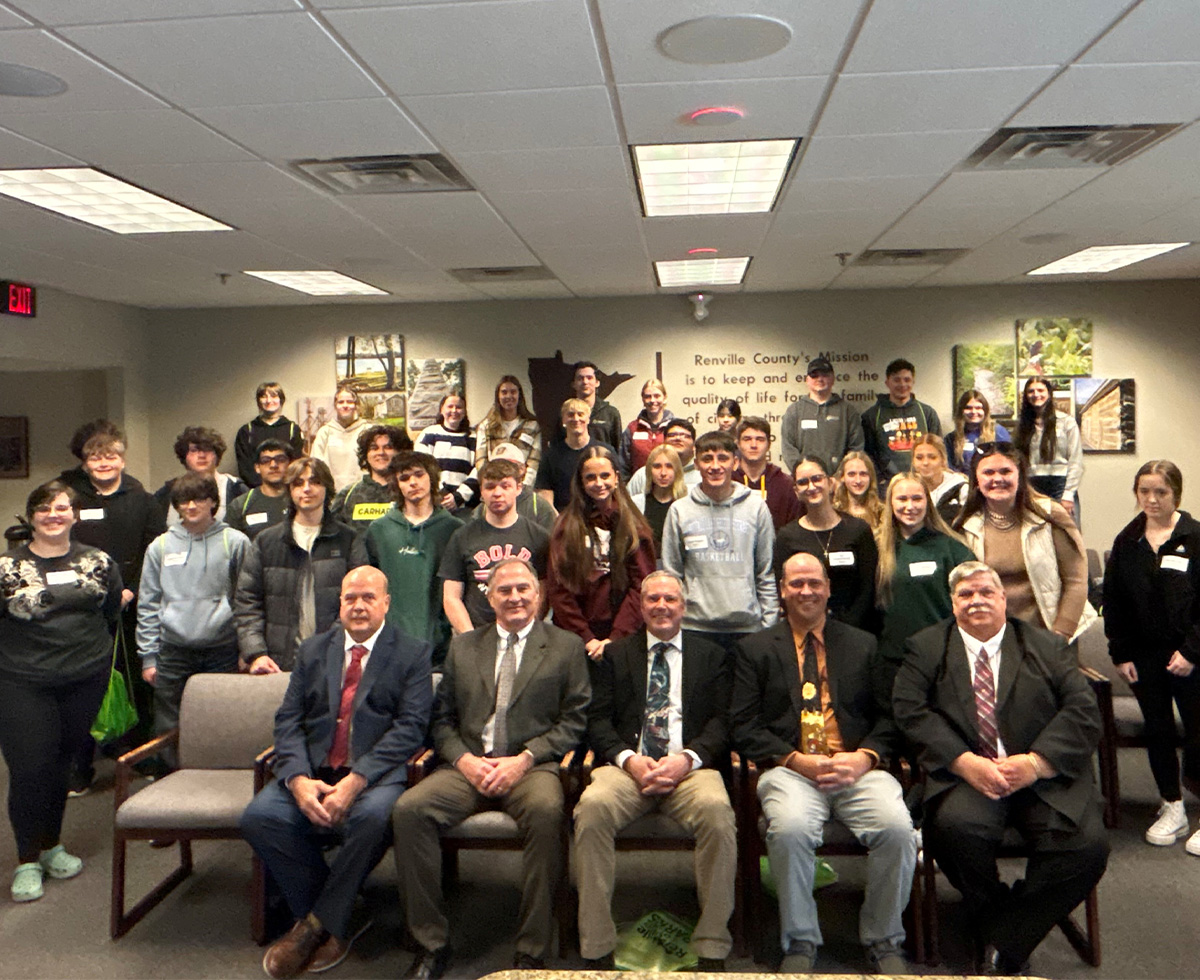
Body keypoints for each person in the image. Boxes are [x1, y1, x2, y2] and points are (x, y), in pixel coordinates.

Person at [893, 561, 1109, 977]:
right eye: (965, 595)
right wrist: (963, 761)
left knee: (1086, 848)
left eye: (985, 592)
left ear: (1003, 599)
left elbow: (1083, 712)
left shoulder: (1047, 646)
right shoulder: (925, 648)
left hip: (1040, 775)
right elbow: (910, 711)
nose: (976, 601)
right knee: (954, 831)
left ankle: (1004, 935)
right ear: (952, 603)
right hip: (969, 775)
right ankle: (1006, 919)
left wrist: (1036, 763)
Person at [392, 558, 590, 978]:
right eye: (505, 590)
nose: (515, 597)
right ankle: (431, 943)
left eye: (523, 589)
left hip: (530, 767)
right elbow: (440, 719)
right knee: (410, 811)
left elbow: (575, 720)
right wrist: (464, 760)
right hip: (468, 766)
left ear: (538, 596)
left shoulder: (565, 646)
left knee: (546, 812)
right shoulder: (464, 646)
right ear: (490, 597)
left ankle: (531, 950)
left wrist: (525, 759)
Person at [241, 567, 433, 980]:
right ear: (340, 603)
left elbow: (411, 728)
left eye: (368, 597)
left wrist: (357, 779)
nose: (359, 606)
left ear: (386, 603)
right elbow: (288, 721)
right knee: (260, 817)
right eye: (350, 598)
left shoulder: (412, 652)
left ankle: (313, 926)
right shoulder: (313, 650)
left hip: (375, 775)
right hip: (313, 770)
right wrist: (296, 780)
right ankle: (341, 908)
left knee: (373, 818)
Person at [732, 552, 914, 975]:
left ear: (829, 588)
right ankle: (800, 940)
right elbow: (743, 725)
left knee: (898, 829)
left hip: (856, 767)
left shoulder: (863, 645)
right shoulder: (755, 649)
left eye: (814, 582)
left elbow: (892, 719)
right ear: (782, 590)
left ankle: (884, 938)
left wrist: (864, 757)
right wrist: (795, 759)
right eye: (796, 583)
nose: (806, 591)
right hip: (790, 769)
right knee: (791, 829)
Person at [575, 571, 736, 970]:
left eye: (670, 599)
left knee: (718, 814)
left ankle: (712, 944)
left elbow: (723, 722)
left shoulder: (712, 656)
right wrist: (629, 759)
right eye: (653, 599)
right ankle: (596, 944)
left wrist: (688, 759)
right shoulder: (615, 655)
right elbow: (597, 722)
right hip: (629, 766)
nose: (661, 606)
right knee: (591, 807)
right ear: (641, 606)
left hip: (691, 768)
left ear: (684, 606)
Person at [0, 481, 122, 902]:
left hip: (83, 679)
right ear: (30, 515)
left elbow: (109, 613)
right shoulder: (7, 567)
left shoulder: (98, 561)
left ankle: (52, 846)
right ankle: (27, 859)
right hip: (21, 682)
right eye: (44, 507)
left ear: (74, 514)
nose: (54, 514)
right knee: (29, 768)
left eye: (62, 507)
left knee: (63, 766)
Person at [1102, 460, 1200, 852]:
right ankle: (1171, 806)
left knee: (1198, 733)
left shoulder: (1195, 537)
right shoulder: (1128, 541)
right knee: (1158, 730)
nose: (1152, 499)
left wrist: (1192, 652)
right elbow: (1114, 600)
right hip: (1145, 657)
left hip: (1192, 657)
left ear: (1176, 493)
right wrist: (1120, 651)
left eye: (1161, 491)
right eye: (1145, 491)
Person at [58, 422, 163, 787]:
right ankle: (80, 769)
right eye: (95, 457)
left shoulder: (144, 499)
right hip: (83, 611)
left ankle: (139, 756)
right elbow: (58, 549)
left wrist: (131, 591)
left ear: (123, 459)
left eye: (111, 456)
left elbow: (153, 552)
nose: (103, 463)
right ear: (85, 463)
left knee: (136, 682)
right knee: (81, 686)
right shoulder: (70, 499)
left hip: (131, 606)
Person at [137, 473, 249, 768]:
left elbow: (246, 600)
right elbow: (148, 603)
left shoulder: (235, 542)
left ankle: (219, 778)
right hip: (172, 650)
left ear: (213, 501)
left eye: (199, 499)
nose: (191, 506)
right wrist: (149, 657)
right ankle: (171, 780)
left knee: (222, 716)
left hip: (222, 648)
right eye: (184, 501)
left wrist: (245, 650)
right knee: (168, 722)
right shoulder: (159, 547)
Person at [236, 457, 367, 675]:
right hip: (276, 664)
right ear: (289, 490)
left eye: (314, 482)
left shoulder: (348, 539)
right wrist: (256, 653)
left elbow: (358, 601)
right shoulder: (266, 542)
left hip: (335, 659)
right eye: (298, 483)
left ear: (327, 488)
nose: (306, 489)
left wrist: (330, 646)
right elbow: (247, 602)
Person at [955, 442, 1092, 640]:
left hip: (1050, 635)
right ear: (976, 480)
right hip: (992, 639)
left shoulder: (1050, 515)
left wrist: (1061, 634)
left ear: (1019, 475)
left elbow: (1076, 581)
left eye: (1005, 471)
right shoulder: (964, 525)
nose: (997, 479)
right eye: (988, 473)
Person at [661, 430, 778, 652]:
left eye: (722, 458)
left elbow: (766, 571)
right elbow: (672, 575)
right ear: (696, 464)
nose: (715, 466)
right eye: (707, 459)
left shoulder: (756, 507)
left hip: (748, 628)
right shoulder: (680, 510)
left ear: (735, 463)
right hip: (694, 628)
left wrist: (768, 627)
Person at [547, 446, 656, 660]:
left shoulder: (634, 526)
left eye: (605, 475)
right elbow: (559, 588)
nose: (599, 483)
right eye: (590, 477)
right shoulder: (565, 526)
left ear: (616, 477)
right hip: (575, 639)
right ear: (581, 482)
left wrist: (616, 638)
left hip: (624, 637)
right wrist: (586, 637)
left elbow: (641, 585)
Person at [874, 472, 973, 687]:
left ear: (928, 502)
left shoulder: (952, 547)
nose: (910, 506)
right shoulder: (876, 548)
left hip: (941, 657)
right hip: (893, 659)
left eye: (917, 498)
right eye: (902, 499)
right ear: (890, 502)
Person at [364, 452, 462, 668]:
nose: (413, 482)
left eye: (419, 474)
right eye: (404, 478)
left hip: (441, 651)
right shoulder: (379, 530)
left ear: (432, 478)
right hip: (389, 649)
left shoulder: (454, 530)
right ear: (396, 484)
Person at [442, 458, 550, 633]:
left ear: (518, 489)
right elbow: (451, 596)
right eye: (490, 487)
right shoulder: (462, 537)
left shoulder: (539, 537)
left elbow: (543, 593)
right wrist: (470, 637)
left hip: (525, 635)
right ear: (481, 492)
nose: (497, 493)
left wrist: (528, 631)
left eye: (505, 486)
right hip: (477, 634)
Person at [775, 456, 877, 633]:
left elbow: (868, 588)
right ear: (796, 491)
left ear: (831, 483)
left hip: (855, 631)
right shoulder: (787, 536)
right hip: (805, 630)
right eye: (803, 482)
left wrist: (847, 627)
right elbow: (783, 589)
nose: (811, 487)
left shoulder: (858, 530)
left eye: (816, 479)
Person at [861, 358, 942, 485]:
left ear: (913, 382)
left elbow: (938, 450)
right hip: (887, 484)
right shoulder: (872, 416)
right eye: (896, 380)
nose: (902, 385)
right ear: (887, 382)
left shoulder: (927, 413)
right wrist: (882, 478)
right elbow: (868, 454)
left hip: (923, 482)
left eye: (907, 380)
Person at [780, 356, 865, 476]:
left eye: (825, 375)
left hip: (839, 484)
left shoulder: (847, 411)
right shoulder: (794, 411)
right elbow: (788, 449)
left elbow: (856, 448)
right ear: (807, 380)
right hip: (807, 482)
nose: (820, 379)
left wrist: (839, 478)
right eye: (814, 375)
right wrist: (805, 475)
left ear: (833, 378)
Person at [1015, 378, 1083, 520]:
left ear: (1049, 394)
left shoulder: (1066, 422)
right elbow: (1017, 460)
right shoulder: (1022, 426)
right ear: (1026, 396)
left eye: (1040, 390)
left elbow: (1075, 460)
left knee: (1067, 536)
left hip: (1060, 485)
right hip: (1032, 486)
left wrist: (1068, 494)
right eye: (1031, 391)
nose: (1036, 394)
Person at [154, 425, 247, 525]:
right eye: (194, 450)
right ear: (184, 456)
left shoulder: (236, 488)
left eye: (207, 449)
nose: (201, 455)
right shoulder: (168, 491)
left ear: (217, 455)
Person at [329, 424, 412, 530]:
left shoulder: (411, 491)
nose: (381, 453)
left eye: (388, 447)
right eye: (374, 448)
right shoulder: (347, 495)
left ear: (400, 452)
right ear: (366, 455)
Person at [536, 398, 612, 511]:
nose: (576, 419)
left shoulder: (605, 452)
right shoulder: (550, 456)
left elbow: (615, 489)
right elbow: (544, 495)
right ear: (563, 420)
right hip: (563, 519)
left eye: (580, 414)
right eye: (570, 415)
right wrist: (559, 522)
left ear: (588, 419)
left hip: (600, 518)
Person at [735, 416, 802, 531]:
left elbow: (794, 528)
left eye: (760, 439)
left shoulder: (785, 484)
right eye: (747, 439)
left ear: (769, 445)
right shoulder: (729, 481)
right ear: (738, 444)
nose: (753, 445)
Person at [471, 443, 557, 532]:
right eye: (495, 466)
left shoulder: (539, 507)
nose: (501, 471)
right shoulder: (481, 509)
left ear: (522, 469)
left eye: (508, 467)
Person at [474, 375, 542, 489]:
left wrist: (523, 487)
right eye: (504, 392)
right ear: (498, 396)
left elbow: (534, 462)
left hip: (522, 488)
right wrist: (490, 485)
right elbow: (481, 461)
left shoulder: (532, 426)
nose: (509, 396)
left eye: (513, 392)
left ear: (519, 395)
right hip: (495, 487)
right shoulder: (486, 426)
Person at [234, 381, 305, 487]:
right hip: (257, 490)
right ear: (258, 401)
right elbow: (245, 467)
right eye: (263, 396)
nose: (268, 400)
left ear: (281, 399)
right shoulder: (246, 431)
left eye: (273, 396)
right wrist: (263, 489)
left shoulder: (292, 429)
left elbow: (296, 463)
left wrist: (284, 485)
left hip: (286, 489)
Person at [225, 439, 299, 540]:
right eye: (266, 461)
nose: (273, 465)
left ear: (290, 464)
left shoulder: (301, 499)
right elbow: (230, 545)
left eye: (280, 459)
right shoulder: (241, 505)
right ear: (257, 468)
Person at [416, 391, 477, 512]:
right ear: (441, 410)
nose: (454, 410)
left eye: (459, 407)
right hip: (432, 504)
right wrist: (441, 494)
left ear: (464, 412)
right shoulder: (429, 434)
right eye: (450, 406)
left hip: (463, 506)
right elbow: (422, 465)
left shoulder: (473, 437)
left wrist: (459, 496)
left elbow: (479, 469)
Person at [311, 386, 372, 493]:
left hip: (362, 493)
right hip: (332, 495)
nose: (345, 406)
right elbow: (315, 466)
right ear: (335, 405)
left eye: (349, 402)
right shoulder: (325, 432)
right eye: (341, 402)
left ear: (356, 405)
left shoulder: (367, 431)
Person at [630, 444, 687, 555]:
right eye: (657, 466)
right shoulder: (636, 504)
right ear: (649, 470)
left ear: (677, 470)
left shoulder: (686, 505)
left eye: (669, 466)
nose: (663, 473)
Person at [619, 378, 675, 480]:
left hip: (669, 485)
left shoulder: (675, 427)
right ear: (643, 400)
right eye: (648, 397)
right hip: (639, 486)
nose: (652, 400)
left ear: (665, 398)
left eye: (657, 396)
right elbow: (623, 465)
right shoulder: (632, 429)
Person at [626, 419, 699, 497]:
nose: (678, 438)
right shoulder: (643, 475)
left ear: (694, 446)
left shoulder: (702, 476)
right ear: (663, 442)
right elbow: (626, 505)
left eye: (684, 435)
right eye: (672, 435)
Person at [945, 389, 1010, 476]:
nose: (973, 412)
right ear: (961, 411)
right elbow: (948, 468)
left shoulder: (999, 432)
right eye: (968, 408)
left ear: (985, 411)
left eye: (978, 408)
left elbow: (1009, 461)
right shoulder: (951, 438)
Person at [911, 433, 968, 526]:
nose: (925, 463)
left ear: (943, 460)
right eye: (919, 458)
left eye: (932, 457)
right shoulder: (907, 488)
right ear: (913, 462)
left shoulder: (961, 488)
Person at [573, 360, 622, 450]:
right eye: (580, 378)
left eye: (589, 378)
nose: (585, 382)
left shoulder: (611, 413)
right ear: (574, 384)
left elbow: (618, 449)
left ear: (597, 382)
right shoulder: (566, 414)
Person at [832, 451, 885, 531]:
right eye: (852, 474)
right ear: (842, 477)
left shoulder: (882, 513)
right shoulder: (834, 512)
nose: (858, 480)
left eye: (863, 474)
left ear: (871, 477)